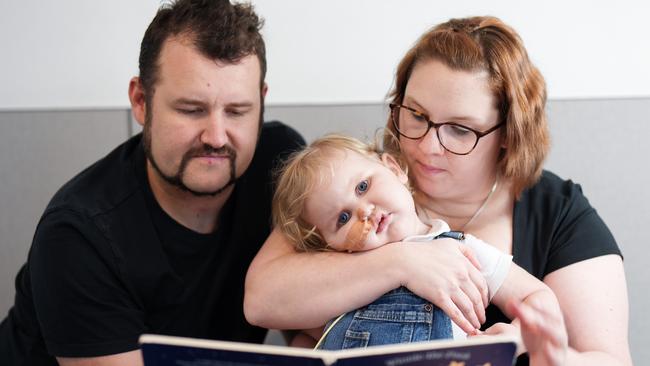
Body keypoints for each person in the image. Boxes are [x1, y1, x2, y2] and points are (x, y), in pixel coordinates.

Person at [244, 16, 632, 365]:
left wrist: (531, 347)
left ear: (508, 136)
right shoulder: (351, 185)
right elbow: (265, 301)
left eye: (460, 129)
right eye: (416, 115)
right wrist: (404, 263)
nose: (428, 147)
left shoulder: (559, 214)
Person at [0, 0, 304, 365]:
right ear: (142, 101)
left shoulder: (281, 165)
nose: (216, 137)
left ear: (262, 102)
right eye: (191, 110)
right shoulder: (78, 234)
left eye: (237, 111)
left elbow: (311, 321)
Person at [271, 134, 560, 351]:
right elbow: (308, 337)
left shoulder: (460, 250)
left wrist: (516, 338)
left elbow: (537, 297)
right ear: (332, 245)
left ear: (394, 169)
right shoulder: (345, 277)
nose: (364, 212)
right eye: (343, 218)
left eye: (363, 186)